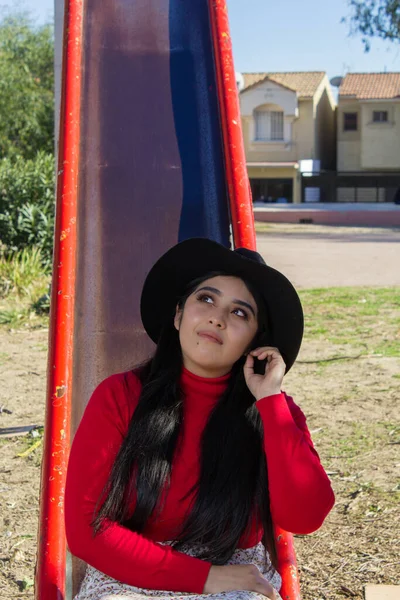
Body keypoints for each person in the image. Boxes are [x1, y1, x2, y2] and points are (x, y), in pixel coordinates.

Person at [65, 238, 335, 600]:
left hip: (235, 573)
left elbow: (306, 517)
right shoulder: (120, 397)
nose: (217, 318)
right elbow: (86, 529)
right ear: (178, 315)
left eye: (240, 313)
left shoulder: (274, 412)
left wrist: (270, 401)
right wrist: (203, 577)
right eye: (206, 299)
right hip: (132, 572)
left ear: (256, 342)